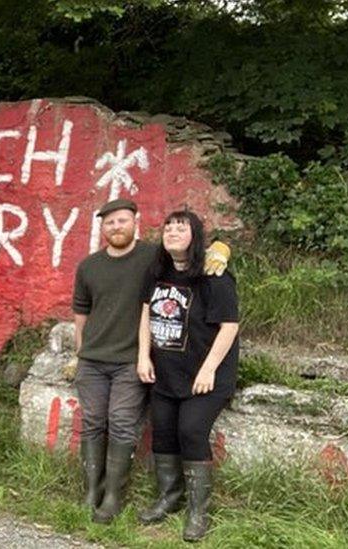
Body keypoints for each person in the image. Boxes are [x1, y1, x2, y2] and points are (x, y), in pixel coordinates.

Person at [73, 199, 231, 525]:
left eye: (122, 221)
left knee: (150, 426)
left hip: (166, 367)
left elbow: (228, 320)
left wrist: (222, 249)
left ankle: (181, 510)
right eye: (109, 222)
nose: (116, 227)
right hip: (129, 366)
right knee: (119, 427)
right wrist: (83, 353)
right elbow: (95, 313)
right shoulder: (129, 266)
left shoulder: (178, 264)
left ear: (136, 222)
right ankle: (111, 494)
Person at [136, 210, 239, 542]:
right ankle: (169, 497)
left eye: (181, 227)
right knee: (163, 433)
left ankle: (198, 511)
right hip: (166, 373)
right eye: (168, 226)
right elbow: (145, 316)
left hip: (204, 376)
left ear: (196, 235)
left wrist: (209, 369)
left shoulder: (215, 276)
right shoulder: (156, 273)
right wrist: (142, 356)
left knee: (191, 431)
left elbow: (229, 326)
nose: (173, 231)